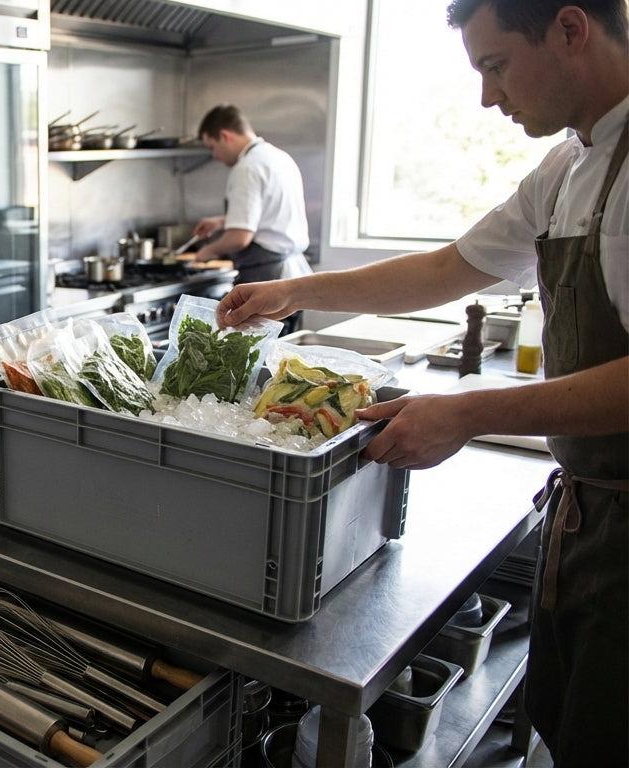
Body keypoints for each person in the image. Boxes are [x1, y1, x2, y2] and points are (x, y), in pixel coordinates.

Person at [216, 1, 627, 763]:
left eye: (496, 66)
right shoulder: (567, 166)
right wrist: (295, 291)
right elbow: (446, 268)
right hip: (588, 514)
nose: (489, 97)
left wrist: (466, 413)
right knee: (571, 727)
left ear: (571, 30)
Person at [184, 104, 313, 333]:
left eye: (212, 147)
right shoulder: (278, 157)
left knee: (257, 352)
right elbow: (272, 213)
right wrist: (222, 221)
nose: (214, 156)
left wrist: (206, 252)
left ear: (225, 135)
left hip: (266, 278)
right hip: (294, 276)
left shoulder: (246, 168)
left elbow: (239, 238)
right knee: (282, 351)